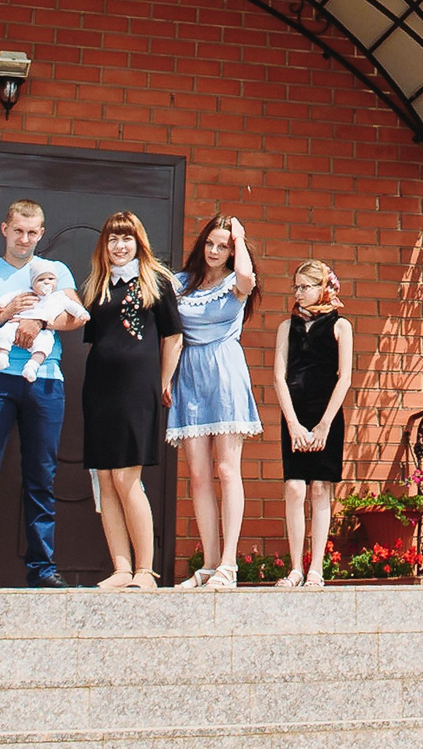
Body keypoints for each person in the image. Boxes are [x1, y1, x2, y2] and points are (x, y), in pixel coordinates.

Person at [0, 200, 89, 589]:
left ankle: (43, 567)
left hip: (45, 380)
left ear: (41, 234)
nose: (24, 239)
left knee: (41, 476)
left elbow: (75, 316)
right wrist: (5, 313)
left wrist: (39, 320)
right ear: (4, 229)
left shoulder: (55, 270)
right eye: (18, 231)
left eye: (31, 233)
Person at [80, 210, 182, 590]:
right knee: (106, 479)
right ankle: (121, 569)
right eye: (112, 239)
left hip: (137, 389)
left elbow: (173, 337)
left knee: (126, 477)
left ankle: (145, 571)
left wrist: (162, 382)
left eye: (126, 238)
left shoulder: (156, 281)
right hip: (99, 390)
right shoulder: (98, 285)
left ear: (139, 243)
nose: (119, 246)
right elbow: (96, 338)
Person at [168, 214, 260, 590]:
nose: (214, 251)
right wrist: (165, 376)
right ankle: (208, 563)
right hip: (190, 373)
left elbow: (247, 277)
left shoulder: (235, 283)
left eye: (223, 246)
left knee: (227, 469)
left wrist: (239, 235)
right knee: (198, 474)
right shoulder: (181, 283)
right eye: (210, 243)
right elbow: (169, 331)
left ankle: (229, 565)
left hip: (224, 371)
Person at [271, 259, 352, 591]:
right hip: (295, 413)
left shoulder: (340, 326)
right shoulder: (286, 327)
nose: (299, 293)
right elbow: (279, 376)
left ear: (323, 287)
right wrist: (292, 423)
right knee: (294, 487)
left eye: (306, 287)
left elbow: (344, 377)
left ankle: (316, 568)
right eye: (296, 287)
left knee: (320, 487)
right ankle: (295, 568)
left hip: (326, 414)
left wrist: (324, 426)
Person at [0, 267, 82, 381]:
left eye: (51, 279)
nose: (46, 282)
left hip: (43, 331)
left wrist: (81, 313)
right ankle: (2, 355)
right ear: (33, 283)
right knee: (4, 333)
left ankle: (32, 366)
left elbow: (73, 307)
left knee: (45, 344)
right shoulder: (26, 292)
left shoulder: (59, 297)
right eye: (41, 280)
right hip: (17, 322)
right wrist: (1, 303)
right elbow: (9, 296)